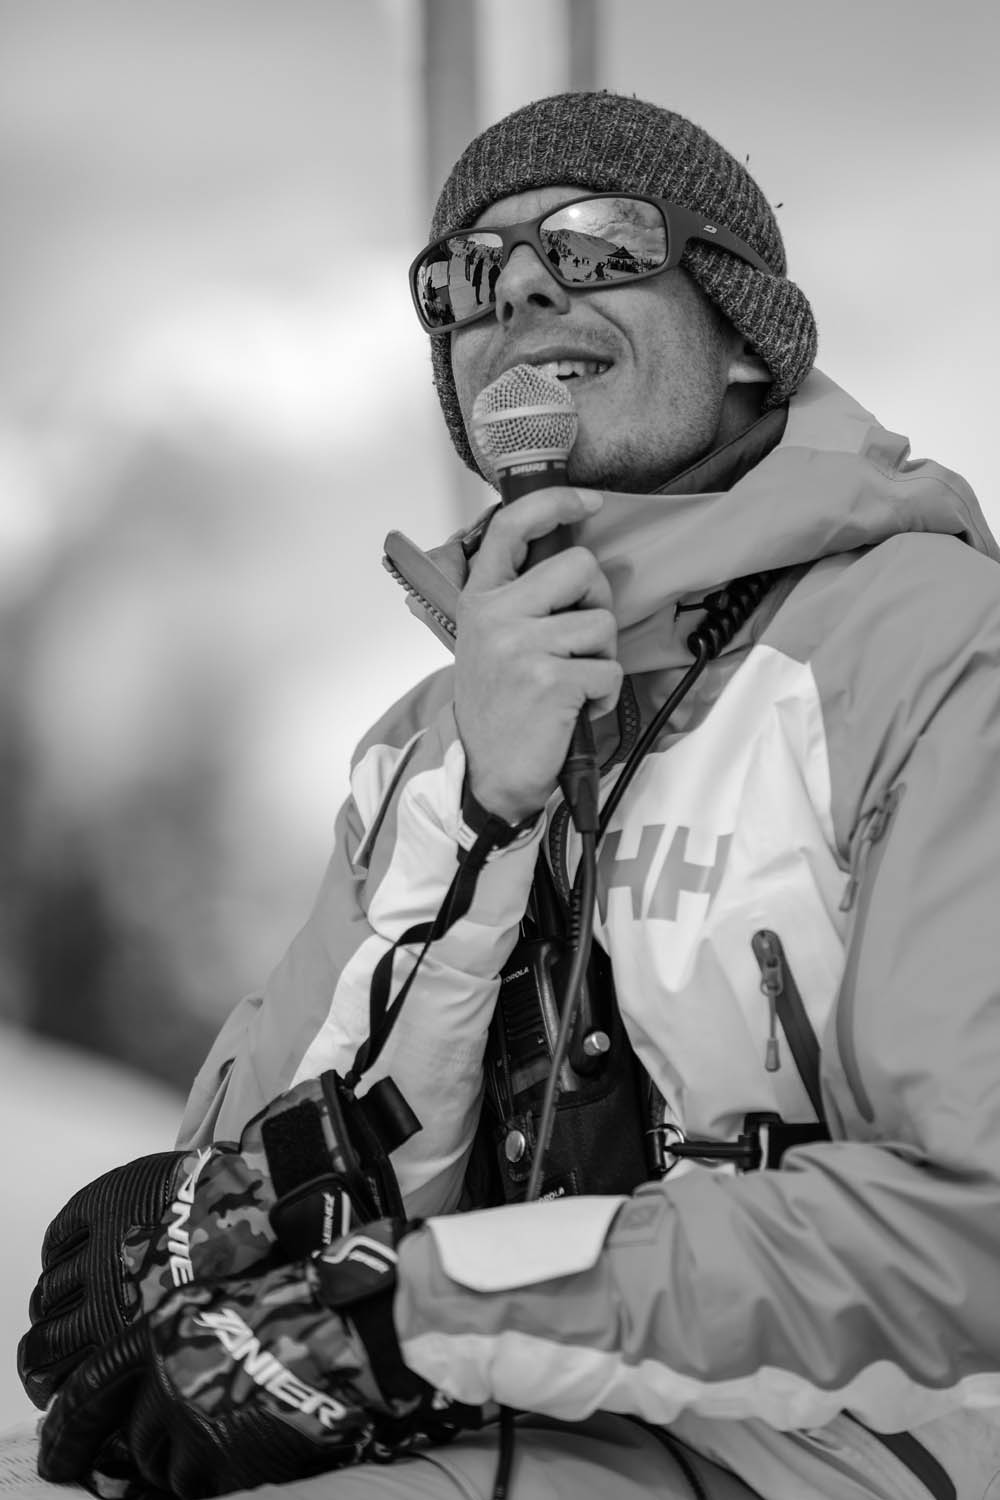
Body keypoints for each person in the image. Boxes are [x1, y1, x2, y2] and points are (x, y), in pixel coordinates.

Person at [19, 89, 1000, 1500]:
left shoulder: (936, 649)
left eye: (600, 242)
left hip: (869, 1448)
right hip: (535, 1417)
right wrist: (480, 805)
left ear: (744, 333)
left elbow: (970, 1226)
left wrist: (419, 1316)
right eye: (467, 277)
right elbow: (270, 1232)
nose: (523, 289)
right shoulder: (422, 743)